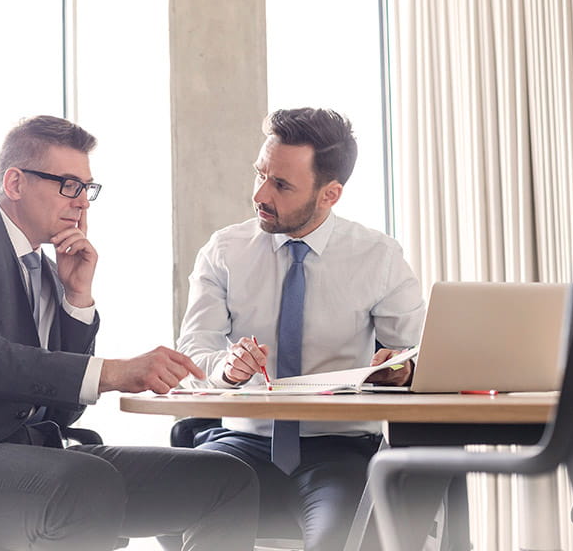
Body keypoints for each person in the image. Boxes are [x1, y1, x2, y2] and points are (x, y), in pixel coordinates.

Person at [0, 115, 259, 551]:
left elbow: (61, 413)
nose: (83, 203)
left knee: (225, 478)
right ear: (16, 183)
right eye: (69, 185)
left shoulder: (43, 267)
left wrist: (77, 296)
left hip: (33, 455)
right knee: (86, 485)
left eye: (87, 188)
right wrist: (114, 372)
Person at [175, 107, 425, 551]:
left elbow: (420, 351)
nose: (260, 194)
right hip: (240, 442)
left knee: (339, 541)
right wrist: (226, 369)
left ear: (330, 194)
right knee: (198, 518)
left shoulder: (377, 257)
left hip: (340, 450)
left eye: (281, 185)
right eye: (260, 174)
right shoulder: (224, 252)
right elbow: (194, 350)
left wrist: (402, 369)